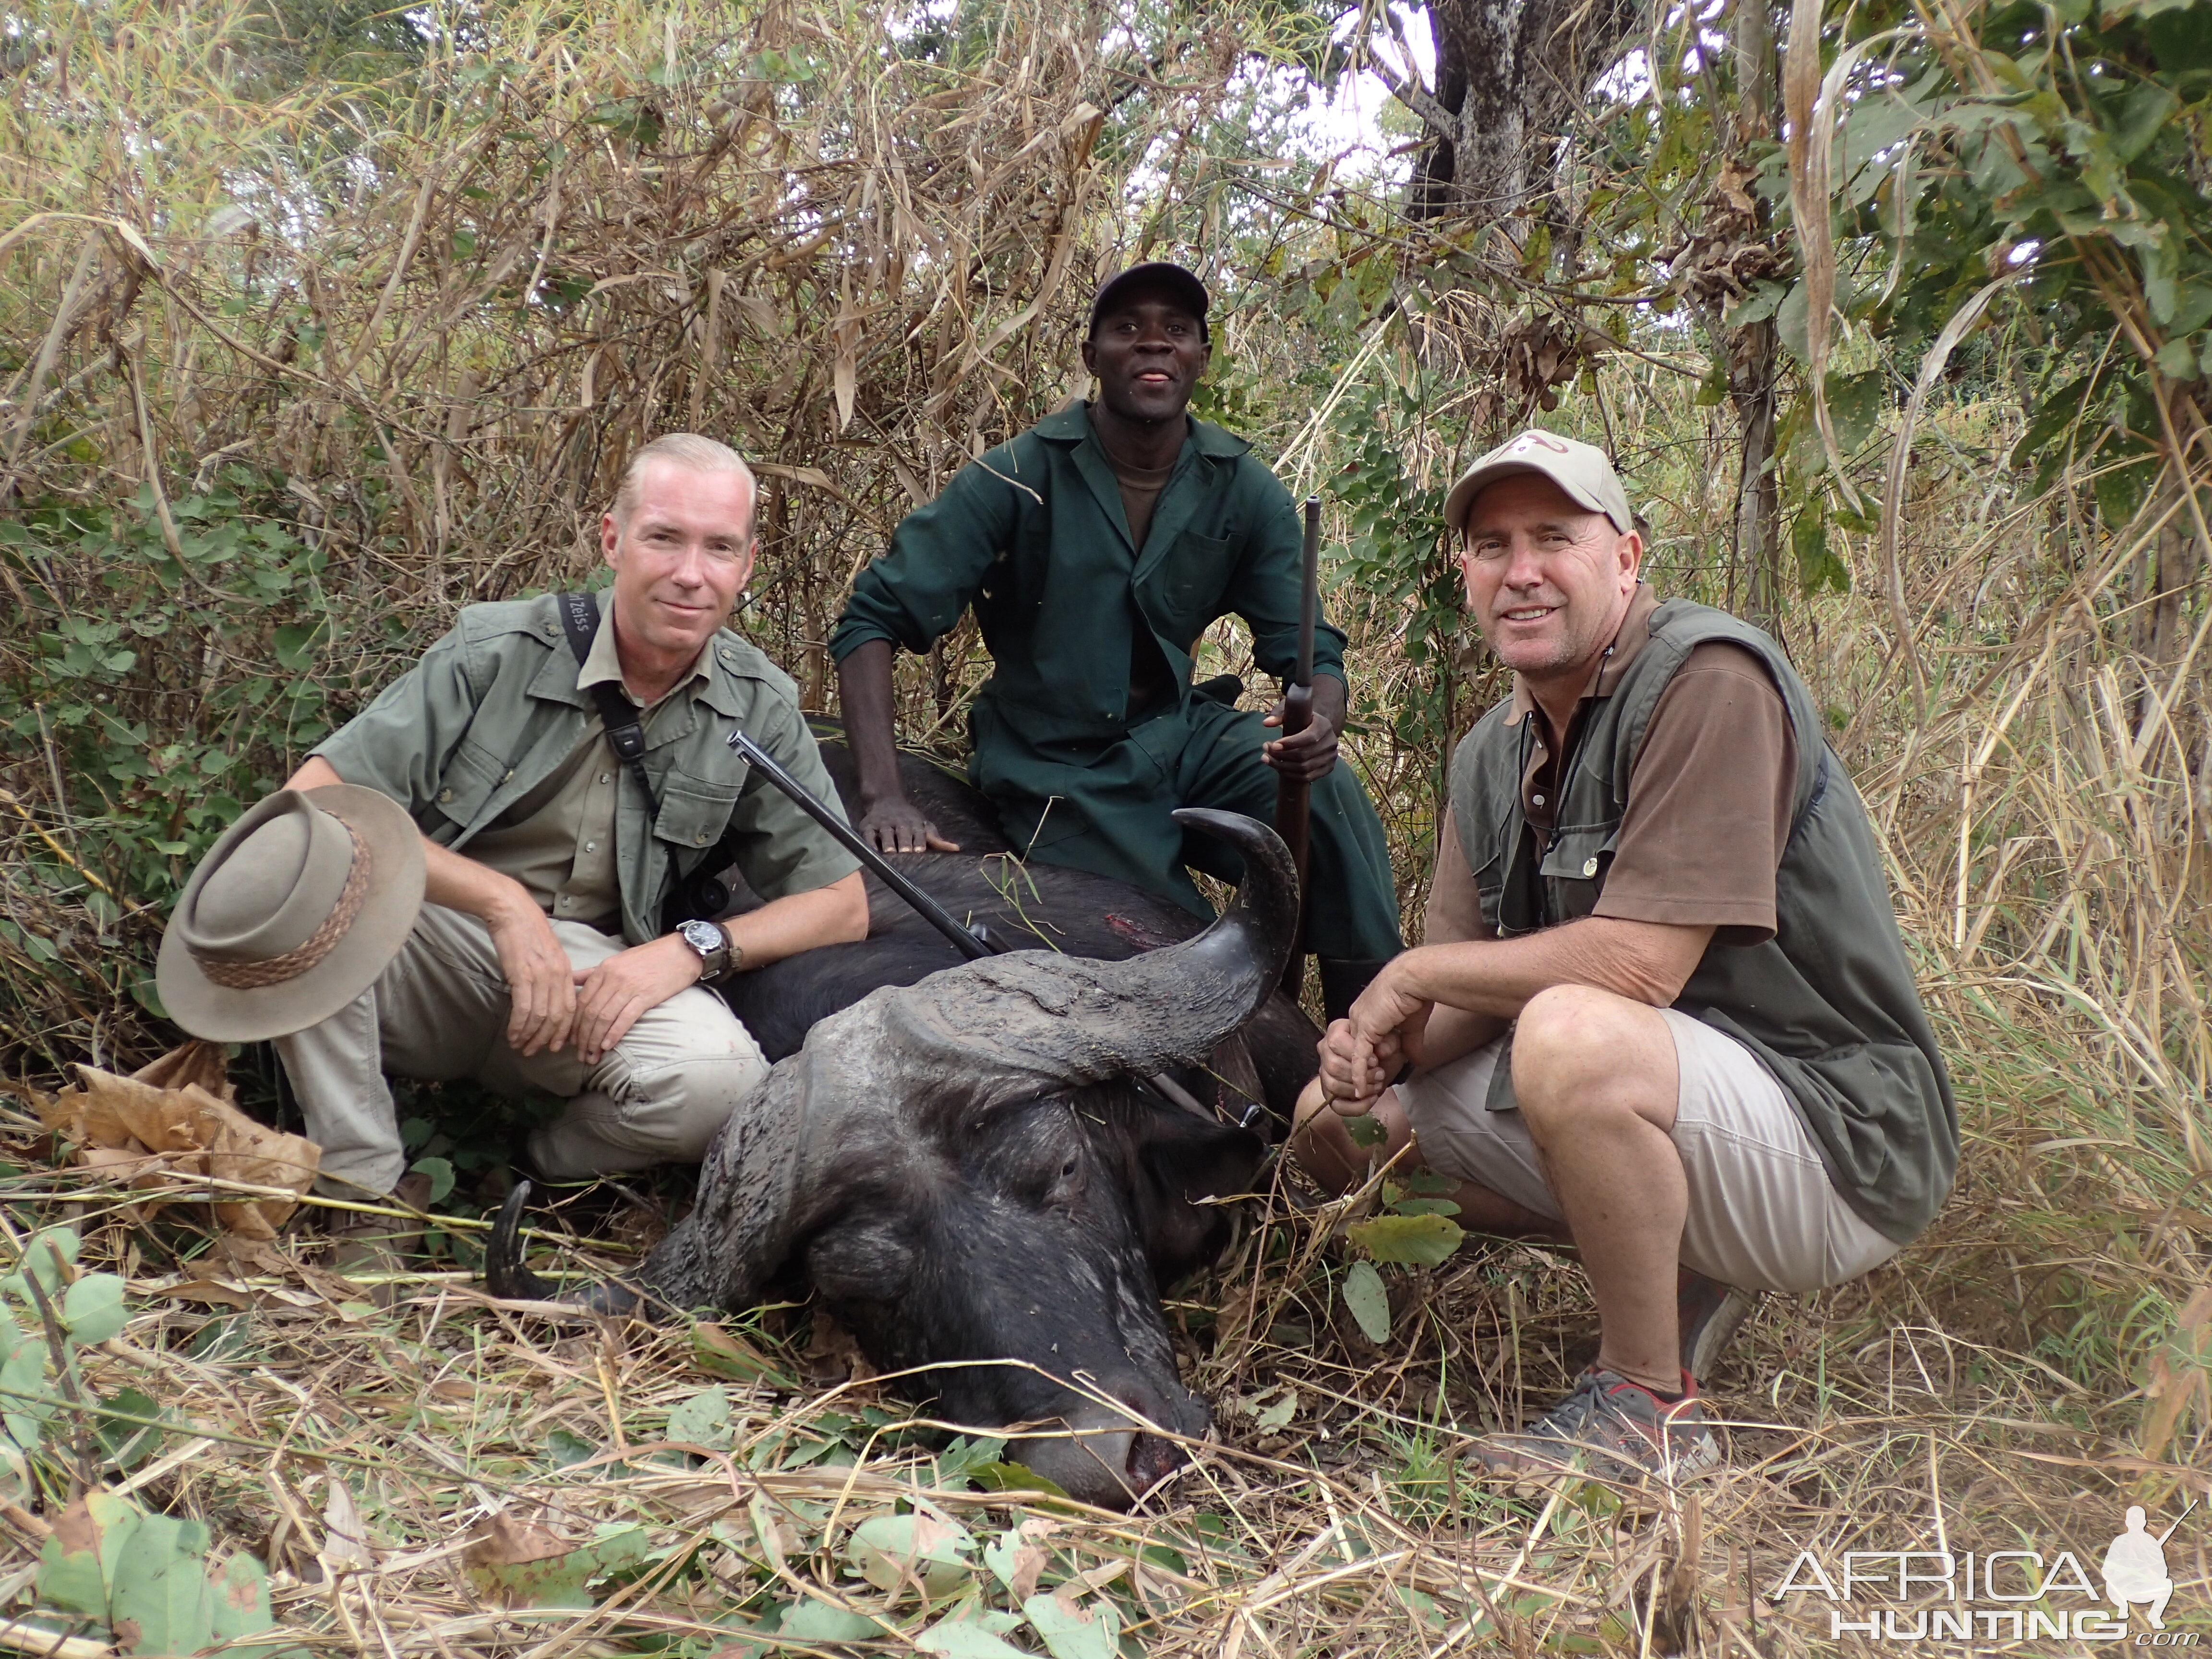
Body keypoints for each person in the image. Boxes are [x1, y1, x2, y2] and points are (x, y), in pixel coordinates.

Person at [1291, 430, 1957, 1480]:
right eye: (1492, 544)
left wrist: (1407, 980)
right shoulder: (1487, 753)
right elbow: (1462, 986)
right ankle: (1678, 1261)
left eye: (1555, 537)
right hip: (1691, 1119)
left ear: (1628, 558)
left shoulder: (1710, 679)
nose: (1522, 571)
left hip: (1835, 1140)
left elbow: (1639, 969)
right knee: (1335, 1128)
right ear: (1464, 574)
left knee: (1570, 1035)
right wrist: (1382, 1047)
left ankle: (1648, 1408)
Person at [158, 434, 869, 1248]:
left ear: (746, 566)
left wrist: (687, 951)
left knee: (720, 1088)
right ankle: (366, 1200)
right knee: (307, 881)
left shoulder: (759, 701)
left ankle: (518, 1172)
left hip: (590, 975)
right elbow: (312, 804)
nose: (689, 573)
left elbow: (840, 905)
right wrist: (501, 905)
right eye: (664, 538)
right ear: (612, 540)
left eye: (719, 548)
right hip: (425, 943)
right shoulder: (495, 650)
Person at [828, 262, 1402, 1020]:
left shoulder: (1240, 483)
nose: (1153, 346)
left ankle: (1374, 1045)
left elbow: (1311, 654)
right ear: (1091, 354)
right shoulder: (1020, 475)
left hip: (1182, 734)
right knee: (1160, 947)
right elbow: (871, 619)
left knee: (1329, 799)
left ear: (1200, 355)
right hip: (1060, 769)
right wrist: (883, 794)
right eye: (1128, 330)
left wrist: (1321, 719)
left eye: (1176, 331)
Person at [2102, 1506, 2175, 1628]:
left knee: (2167, 1584)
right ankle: (2123, 1608)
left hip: (2146, 1588)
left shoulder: (2151, 1542)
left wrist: (2151, 1570)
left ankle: (2155, 1616)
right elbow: (2107, 1568)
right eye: (2132, 1520)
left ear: (2144, 1522)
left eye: (2139, 1520)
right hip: (2123, 1589)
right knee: (2110, 1584)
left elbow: (2163, 1570)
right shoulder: (2120, 1541)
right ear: (2127, 1523)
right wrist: (2123, 1573)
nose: (2135, 1524)